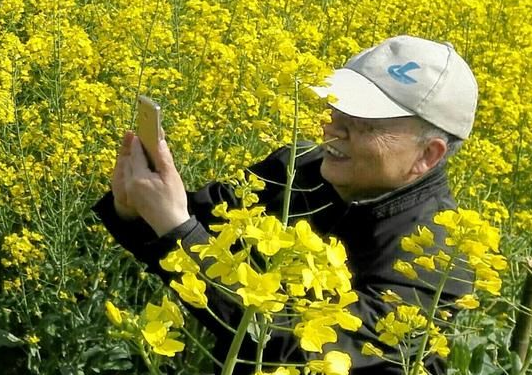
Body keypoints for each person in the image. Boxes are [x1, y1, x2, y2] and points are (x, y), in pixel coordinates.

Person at [93, 35, 479, 374]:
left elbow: (296, 346)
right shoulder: (297, 168)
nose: (331, 128)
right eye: (335, 107)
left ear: (427, 155)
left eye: (363, 123)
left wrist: (173, 225)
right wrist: (134, 209)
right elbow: (184, 229)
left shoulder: (443, 255)